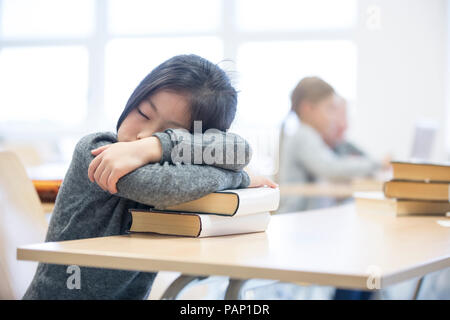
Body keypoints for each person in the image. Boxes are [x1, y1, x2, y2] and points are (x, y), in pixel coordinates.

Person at [23, 54, 276, 300]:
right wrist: (239, 178)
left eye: (170, 132)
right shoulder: (98, 152)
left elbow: (237, 149)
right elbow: (163, 188)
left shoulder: (159, 155)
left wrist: (154, 147)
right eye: (144, 114)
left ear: (195, 141)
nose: (145, 135)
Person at [278, 77, 380, 213]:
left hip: (307, 218)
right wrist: (376, 164)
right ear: (308, 108)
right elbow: (330, 168)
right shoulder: (303, 135)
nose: (333, 118)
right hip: (296, 217)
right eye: (329, 109)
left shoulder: (309, 135)